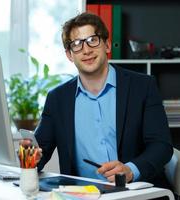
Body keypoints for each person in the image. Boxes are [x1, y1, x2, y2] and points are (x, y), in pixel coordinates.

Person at [28, 12, 173, 189]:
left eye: (92, 40)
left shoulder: (142, 87)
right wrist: (30, 156)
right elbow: (39, 153)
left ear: (107, 44)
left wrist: (130, 170)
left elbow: (162, 146)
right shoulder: (57, 99)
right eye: (77, 44)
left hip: (136, 192)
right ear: (69, 55)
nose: (86, 50)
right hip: (83, 194)